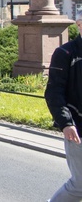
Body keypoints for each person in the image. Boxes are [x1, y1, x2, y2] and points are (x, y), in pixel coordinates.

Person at [45, 16, 82, 202]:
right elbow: (54, 91)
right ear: (79, 25)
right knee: (80, 186)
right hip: (77, 127)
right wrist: (66, 123)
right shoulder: (66, 53)